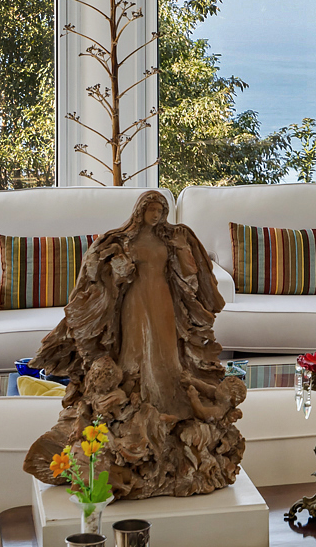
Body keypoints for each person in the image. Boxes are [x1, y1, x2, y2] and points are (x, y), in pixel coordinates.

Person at [25, 190, 248, 498]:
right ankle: (135, 401)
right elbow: (96, 268)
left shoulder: (170, 239)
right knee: (135, 351)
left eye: (161, 211)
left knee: (166, 351)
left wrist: (182, 251)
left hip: (163, 298)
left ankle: (169, 404)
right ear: (140, 211)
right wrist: (115, 269)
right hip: (133, 301)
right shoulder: (122, 241)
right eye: (152, 210)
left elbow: (189, 273)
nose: (156, 216)